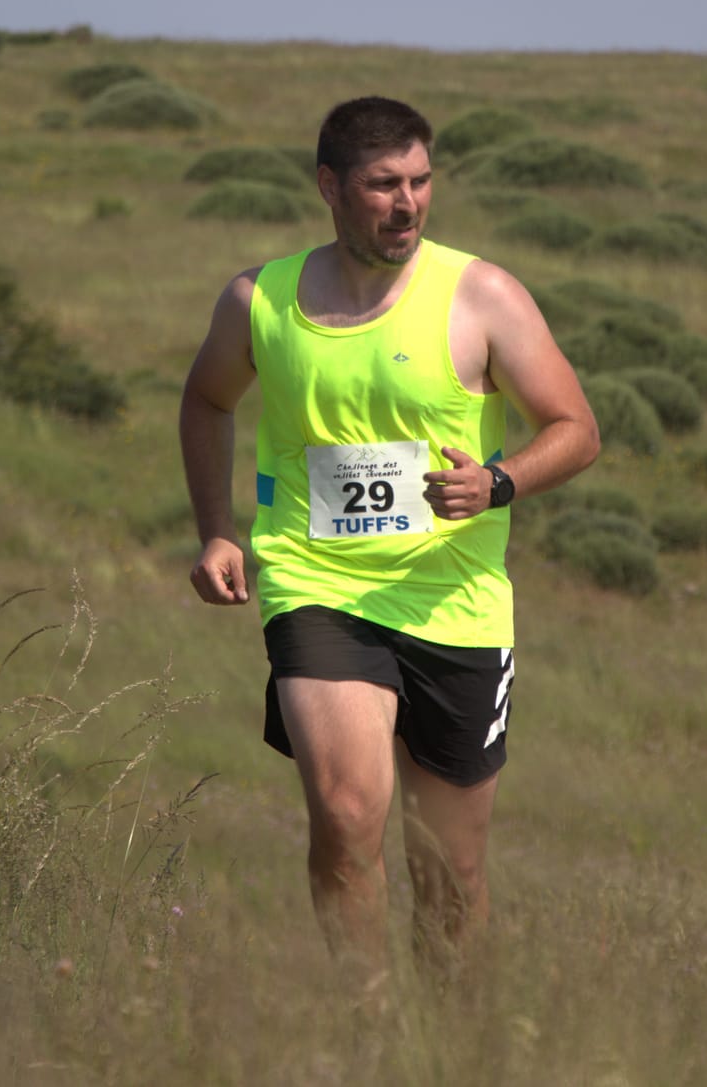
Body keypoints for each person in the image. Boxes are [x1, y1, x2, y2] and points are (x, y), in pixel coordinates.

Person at [179, 96, 600, 976]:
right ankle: (365, 1039)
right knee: (344, 813)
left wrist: (498, 482)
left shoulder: (480, 294)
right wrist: (217, 531)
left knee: (449, 870)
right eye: (383, 184)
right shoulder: (261, 299)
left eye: (420, 180)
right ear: (330, 186)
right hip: (318, 585)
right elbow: (207, 399)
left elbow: (576, 427)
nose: (407, 202)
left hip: (455, 601)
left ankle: (447, 1048)